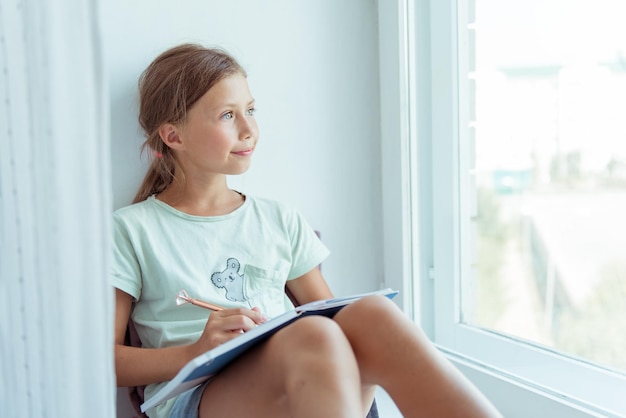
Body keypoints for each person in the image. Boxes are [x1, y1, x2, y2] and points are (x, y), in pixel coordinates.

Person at [112, 43, 501, 418]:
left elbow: (332, 320)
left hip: (300, 373)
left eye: (250, 109)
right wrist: (194, 351)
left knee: (372, 315)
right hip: (199, 394)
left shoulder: (279, 220)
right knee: (314, 336)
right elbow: (105, 360)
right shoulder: (132, 230)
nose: (249, 129)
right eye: (228, 115)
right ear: (173, 136)